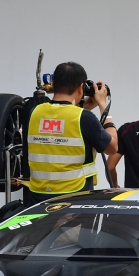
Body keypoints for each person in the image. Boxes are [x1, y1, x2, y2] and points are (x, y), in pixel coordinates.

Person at [24, 62, 117, 207]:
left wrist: (82, 106)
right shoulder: (84, 118)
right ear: (81, 87)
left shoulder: (34, 112)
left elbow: (60, 116)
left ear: (54, 84)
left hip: (37, 199)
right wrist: (103, 107)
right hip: (74, 200)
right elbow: (112, 147)